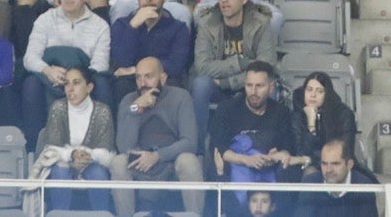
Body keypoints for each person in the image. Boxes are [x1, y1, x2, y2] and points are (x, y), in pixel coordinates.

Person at [23, 0, 113, 145]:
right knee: (30, 83)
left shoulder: (100, 26)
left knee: (102, 83)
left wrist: (76, 80)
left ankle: (102, 145)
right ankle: (34, 146)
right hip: (51, 78)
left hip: (84, 78)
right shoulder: (45, 19)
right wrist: (48, 71)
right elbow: (30, 58)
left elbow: (100, 64)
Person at [191, 0, 279, 143]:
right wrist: (241, 62)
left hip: (245, 85)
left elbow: (266, 65)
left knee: (270, 89)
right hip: (216, 87)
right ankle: (199, 146)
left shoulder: (260, 22)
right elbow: (202, 66)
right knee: (200, 84)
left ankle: (266, 145)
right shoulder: (207, 22)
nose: (224, 0)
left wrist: (228, 82)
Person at [110, 57, 204, 213]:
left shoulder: (181, 97)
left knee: (189, 161)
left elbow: (190, 142)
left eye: (148, 76)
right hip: (140, 161)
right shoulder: (129, 101)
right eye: (138, 77)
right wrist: (136, 109)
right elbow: (124, 147)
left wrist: (157, 155)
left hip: (171, 160)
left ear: (163, 77)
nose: (143, 82)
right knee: (118, 162)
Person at [210, 62, 301, 196]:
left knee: (289, 169)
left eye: (259, 86)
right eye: (249, 85)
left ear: (271, 87)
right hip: (236, 165)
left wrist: (276, 156)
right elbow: (218, 149)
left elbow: (288, 148)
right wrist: (246, 159)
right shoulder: (227, 109)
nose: (253, 92)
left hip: (269, 169)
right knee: (215, 168)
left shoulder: (281, 112)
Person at [36, 65, 115, 209]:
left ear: (89, 87)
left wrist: (88, 156)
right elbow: (50, 148)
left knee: (98, 174)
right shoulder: (57, 107)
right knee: (59, 172)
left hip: (92, 162)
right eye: (67, 83)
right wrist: (71, 154)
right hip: (63, 161)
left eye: (76, 83)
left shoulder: (103, 111)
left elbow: (108, 152)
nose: (70, 89)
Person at [112, 0, 192, 86]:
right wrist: (132, 27)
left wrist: (137, 70)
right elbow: (121, 62)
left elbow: (176, 66)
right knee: (121, 84)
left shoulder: (178, 29)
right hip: (130, 83)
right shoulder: (122, 25)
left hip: (164, 82)